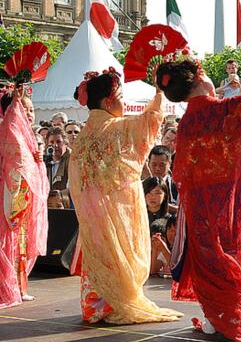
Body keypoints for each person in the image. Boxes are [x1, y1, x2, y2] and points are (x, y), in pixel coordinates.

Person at [157, 40, 241, 341]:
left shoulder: (188, 121)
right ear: (198, 81)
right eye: (204, 74)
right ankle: (231, 315)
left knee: (209, 256)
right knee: (232, 252)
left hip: (200, 206)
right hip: (228, 202)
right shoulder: (221, 111)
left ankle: (214, 315)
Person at [68, 67, 182, 324]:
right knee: (119, 256)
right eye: (120, 96)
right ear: (108, 100)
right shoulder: (115, 129)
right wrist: (158, 92)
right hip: (115, 208)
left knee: (98, 256)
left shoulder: (83, 135)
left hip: (91, 212)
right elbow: (149, 122)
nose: (124, 102)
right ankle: (114, 303)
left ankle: (95, 306)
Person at [0, 87, 49, 308]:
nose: (29, 113)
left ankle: (19, 287)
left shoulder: (26, 136)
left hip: (21, 195)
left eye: (31, 109)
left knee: (20, 243)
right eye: (24, 108)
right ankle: (8, 288)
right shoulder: (7, 131)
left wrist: (37, 160)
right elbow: (15, 165)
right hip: (10, 194)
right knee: (8, 242)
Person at [45, 127, 72, 207]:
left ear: (65, 144)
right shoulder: (45, 160)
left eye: (58, 142)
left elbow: (73, 187)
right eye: (51, 142)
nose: (55, 145)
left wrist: (60, 194)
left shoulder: (72, 160)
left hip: (67, 206)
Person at [147, 145, 179, 211]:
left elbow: (181, 212)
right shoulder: (140, 186)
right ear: (148, 163)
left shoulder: (177, 186)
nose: (157, 169)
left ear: (169, 164)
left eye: (162, 165)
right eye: (154, 165)